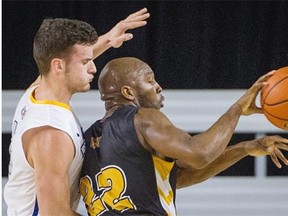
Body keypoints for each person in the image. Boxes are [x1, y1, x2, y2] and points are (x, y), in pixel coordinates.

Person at [80, 57, 288, 216]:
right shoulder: (143, 118)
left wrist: (244, 148)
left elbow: (178, 177)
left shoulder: (89, 137)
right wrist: (237, 110)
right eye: (150, 80)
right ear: (128, 92)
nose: (158, 86)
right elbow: (200, 153)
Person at [3, 9, 150, 216]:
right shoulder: (51, 135)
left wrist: (107, 39)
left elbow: (65, 60)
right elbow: (55, 214)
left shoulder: (36, 92)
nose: (93, 69)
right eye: (85, 62)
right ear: (58, 66)